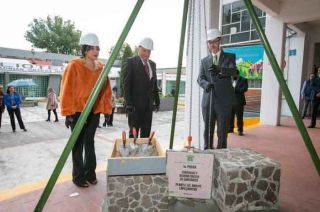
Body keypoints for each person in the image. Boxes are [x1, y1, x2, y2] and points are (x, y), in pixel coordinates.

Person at [60, 33, 112, 187]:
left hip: (94, 111)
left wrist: (107, 109)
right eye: (91, 48)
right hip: (77, 111)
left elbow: (106, 90)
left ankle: (90, 173)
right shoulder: (74, 66)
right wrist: (68, 113)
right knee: (78, 144)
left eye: (97, 48)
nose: (95, 51)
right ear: (84, 49)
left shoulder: (101, 68)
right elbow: (66, 89)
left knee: (90, 142)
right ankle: (78, 177)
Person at [198, 28, 237, 149]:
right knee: (208, 131)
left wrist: (219, 69)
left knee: (222, 132)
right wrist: (206, 85)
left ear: (220, 41)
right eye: (210, 42)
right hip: (208, 101)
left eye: (215, 41)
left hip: (224, 102)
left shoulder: (229, 57)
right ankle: (207, 154)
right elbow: (200, 78)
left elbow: (234, 72)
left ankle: (221, 156)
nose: (212, 45)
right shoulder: (205, 61)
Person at [124, 37, 160, 138]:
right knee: (133, 135)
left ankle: (144, 153)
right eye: (144, 51)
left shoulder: (152, 65)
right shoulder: (131, 62)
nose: (147, 54)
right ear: (138, 48)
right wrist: (129, 103)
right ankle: (133, 153)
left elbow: (154, 85)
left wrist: (157, 101)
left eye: (149, 51)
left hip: (148, 107)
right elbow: (126, 85)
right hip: (134, 108)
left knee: (146, 135)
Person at [229, 69, 248, 136]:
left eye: (233, 75)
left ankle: (240, 130)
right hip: (230, 101)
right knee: (230, 116)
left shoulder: (244, 80)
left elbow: (245, 89)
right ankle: (230, 128)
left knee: (239, 117)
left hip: (239, 102)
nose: (232, 76)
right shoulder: (230, 79)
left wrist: (235, 89)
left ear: (237, 74)